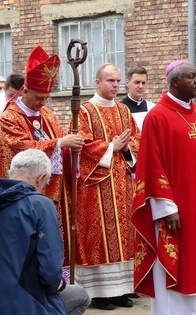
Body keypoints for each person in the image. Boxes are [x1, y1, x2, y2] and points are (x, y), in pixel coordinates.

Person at [132, 60, 196, 314]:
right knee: (181, 265)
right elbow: (151, 165)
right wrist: (165, 207)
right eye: (191, 77)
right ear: (174, 82)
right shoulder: (158, 116)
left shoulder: (194, 111)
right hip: (178, 207)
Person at [0, 47, 84, 271]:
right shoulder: (9, 118)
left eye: (47, 98)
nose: (43, 103)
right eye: (39, 98)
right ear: (25, 92)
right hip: (21, 196)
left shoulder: (48, 116)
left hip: (52, 192)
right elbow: (20, 148)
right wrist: (60, 144)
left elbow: (62, 145)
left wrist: (73, 149)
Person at [0, 149, 90, 315]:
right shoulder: (39, 205)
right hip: (23, 304)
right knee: (80, 295)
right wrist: (58, 284)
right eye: (46, 184)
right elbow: (51, 274)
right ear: (40, 178)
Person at [73, 63, 141, 310]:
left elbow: (136, 138)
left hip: (122, 181)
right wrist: (111, 146)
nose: (115, 85)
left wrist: (126, 147)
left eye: (118, 81)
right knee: (99, 235)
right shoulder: (84, 111)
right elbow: (82, 145)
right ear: (97, 82)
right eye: (110, 81)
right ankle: (100, 293)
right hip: (96, 186)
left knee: (125, 233)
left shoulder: (124, 110)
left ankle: (122, 289)